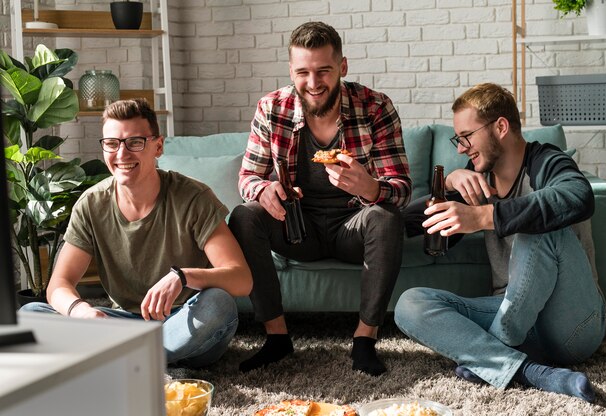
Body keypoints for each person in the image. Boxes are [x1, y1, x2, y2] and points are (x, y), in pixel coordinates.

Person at [395, 83, 606, 402]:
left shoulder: (545, 161)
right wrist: (450, 183)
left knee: (539, 226)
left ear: (501, 127)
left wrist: (484, 216)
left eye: (466, 136)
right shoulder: (476, 179)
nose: (461, 148)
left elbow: (579, 197)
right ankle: (529, 371)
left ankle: (494, 352)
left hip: (573, 323)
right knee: (410, 304)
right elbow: (407, 222)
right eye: (458, 139)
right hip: (510, 311)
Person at [228, 21, 411, 376]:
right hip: (298, 229)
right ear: (291, 71)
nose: (313, 84)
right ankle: (277, 338)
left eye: (324, 71)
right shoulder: (272, 108)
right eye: (303, 73)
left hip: (353, 229)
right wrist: (264, 191)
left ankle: (364, 340)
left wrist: (371, 188)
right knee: (243, 215)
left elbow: (401, 187)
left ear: (342, 67)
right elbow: (248, 177)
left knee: (386, 217)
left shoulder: (375, 107)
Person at [22, 98, 252, 368]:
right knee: (31, 314)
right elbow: (59, 284)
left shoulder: (193, 197)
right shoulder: (92, 203)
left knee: (218, 305)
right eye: (112, 143)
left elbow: (241, 279)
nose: (122, 154)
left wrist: (182, 276)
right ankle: (137, 357)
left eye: (135, 142)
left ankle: (113, 358)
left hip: (184, 321)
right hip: (123, 325)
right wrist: (81, 311)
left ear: (158, 146)